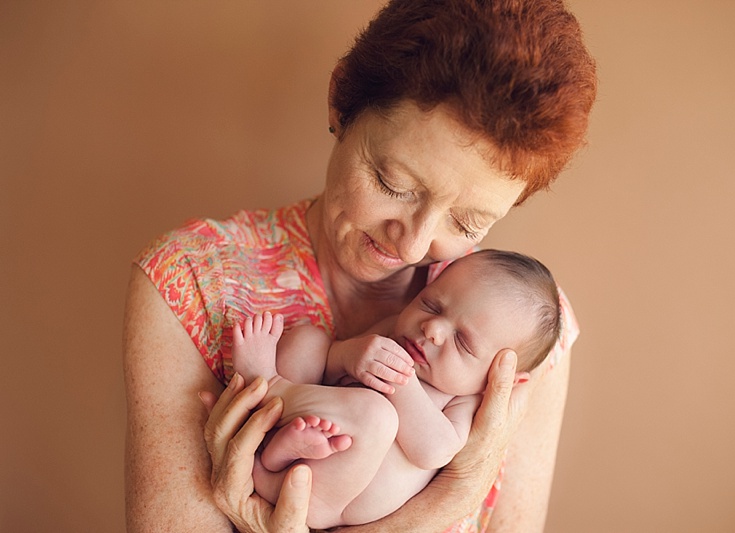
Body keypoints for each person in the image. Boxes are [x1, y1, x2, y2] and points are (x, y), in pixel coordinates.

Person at [123, 0, 596, 531]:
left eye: (467, 223)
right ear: (339, 102)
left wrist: (452, 494)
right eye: (395, 184)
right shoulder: (192, 281)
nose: (415, 247)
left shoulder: (524, 332)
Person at [229, 250, 562, 529]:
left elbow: (434, 451)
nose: (432, 329)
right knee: (310, 339)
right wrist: (350, 354)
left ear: (501, 376)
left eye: (462, 342)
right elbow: (332, 370)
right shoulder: (398, 332)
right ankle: (275, 448)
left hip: (330, 499)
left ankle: (267, 386)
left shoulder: (465, 399)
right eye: (432, 305)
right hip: (309, 429)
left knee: (378, 416)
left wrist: (401, 383)